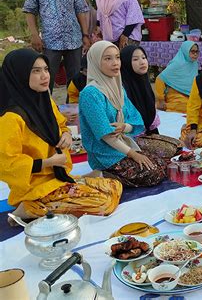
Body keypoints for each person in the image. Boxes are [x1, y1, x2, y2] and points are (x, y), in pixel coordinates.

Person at [0, 49, 122, 220]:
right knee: (104, 204)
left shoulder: (44, 100)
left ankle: (72, 186)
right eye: (36, 71)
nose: (44, 76)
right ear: (19, 75)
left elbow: (61, 124)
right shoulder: (10, 118)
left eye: (46, 69)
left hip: (56, 176)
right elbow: (7, 164)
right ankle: (30, 208)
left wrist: (66, 135)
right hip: (34, 187)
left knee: (114, 185)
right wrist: (48, 162)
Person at [79, 41, 167, 187]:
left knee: (162, 164)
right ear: (95, 62)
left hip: (123, 143)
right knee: (153, 174)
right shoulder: (90, 94)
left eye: (117, 57)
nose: (115, 63)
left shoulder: (117, 87)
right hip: (104, 153)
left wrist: (124, 126)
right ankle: (101, 175)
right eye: (108, 59)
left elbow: (134, 118)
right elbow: (106, 135)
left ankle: (111, 176)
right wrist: (133, 154)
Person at [23, 0, 91, 92]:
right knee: (46, 79)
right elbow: (29, 11)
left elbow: (81, 10)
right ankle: (47, 112)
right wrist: (35, 36)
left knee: (76, 80)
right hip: (50, 41)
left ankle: (75, 110)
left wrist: (85, 35)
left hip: (74, 40)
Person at [120, 45, 159, 135]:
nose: (142, 62)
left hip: (147, 134)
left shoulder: (144, 81)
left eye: (143, 57)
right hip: (130, 137)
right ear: (126, 63)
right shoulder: (122, 89)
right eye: (135, 59)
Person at [155, 41, 199, 113]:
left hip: (190, 96)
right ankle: (166, 106)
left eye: (197, 52)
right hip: (176, 97)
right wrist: (161, 99)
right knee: (187, 107)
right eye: (192, 51)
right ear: (185, 51)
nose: (195, 54)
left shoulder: (194, 64)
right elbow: (159, 79)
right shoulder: (177, 64)